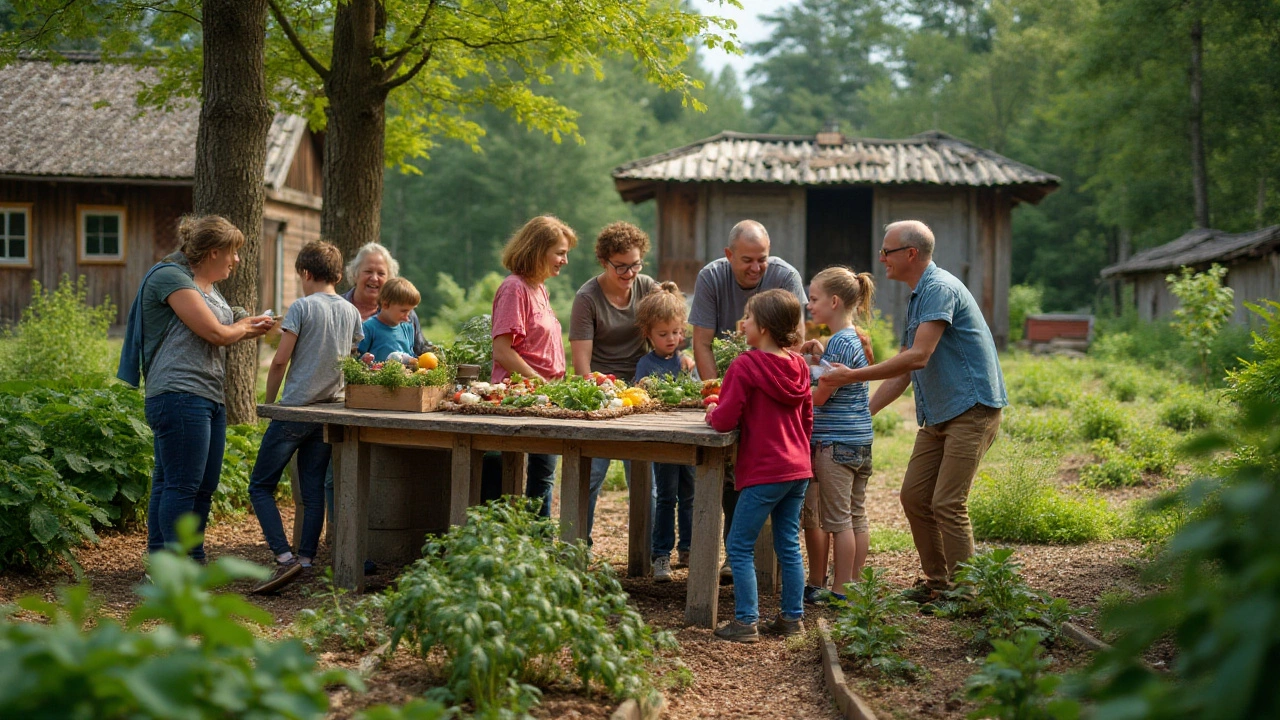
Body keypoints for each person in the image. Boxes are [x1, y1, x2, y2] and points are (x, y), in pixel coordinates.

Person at [818, 220, 1007, 605]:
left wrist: (850, 376)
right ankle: (939, 583)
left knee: (948, 502)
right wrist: (862, 412)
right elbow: (904, 369)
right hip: (940, 414)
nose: (880, 258)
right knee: (914, 497)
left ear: (910, 254)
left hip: (972, 410)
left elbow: (919, 357)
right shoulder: (918, 296)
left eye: (886, 251)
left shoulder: (938, 289)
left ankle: (968, 592)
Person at [117, 215, 273, 564]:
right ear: (214, 252)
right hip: (178, 394)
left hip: (207, 395)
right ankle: (173, 568)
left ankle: (187, 559)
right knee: (181, 485)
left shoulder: (204, 285)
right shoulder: (171, 278)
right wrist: (244, 327)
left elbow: (223, 318)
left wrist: (247, 320)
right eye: (232, 253)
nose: (236, 260)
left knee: (199, 485)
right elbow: (216, 333)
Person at [689, 219, 807, 579]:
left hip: (764, 393)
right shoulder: (711, 277)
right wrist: (720, 392)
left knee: (755, 483)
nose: (757, 268)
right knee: (730, 476)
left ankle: (751, 583)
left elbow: (796, 341)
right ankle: (787, 606)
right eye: (747, 260)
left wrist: (729, 405)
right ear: (728, 256)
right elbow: (703, 343)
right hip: (733, 386)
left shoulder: (786, 277)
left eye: (763, 259)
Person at [248, 241, 364, 594]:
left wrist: (271, 403)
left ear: (305, 273)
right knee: (313, 490)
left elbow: (281, 360)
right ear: (339, 275)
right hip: (329, 412)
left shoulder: (302, 306)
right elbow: (353, 356)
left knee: (260, 485)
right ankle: (308, 560)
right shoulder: (351, 311)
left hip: (295, 410)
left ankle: (284, 558)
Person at [570, 222, 690, 544]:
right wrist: (598, 393)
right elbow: (582, 363)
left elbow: (672, 327)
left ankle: (647, 551)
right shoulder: (588, 298)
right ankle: (581, 545)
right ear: (603, 261)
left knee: (643, 479)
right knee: (592, 475)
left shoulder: (647, 286)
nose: (628, 273)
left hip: (643, 389)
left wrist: (682, 357)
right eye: (620, 267)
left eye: (634, 265)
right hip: (602, 392)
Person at [704, 289, 813, 642]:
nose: (743, 324)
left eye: (748, 318)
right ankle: (792, 618)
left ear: (763, 327)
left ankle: (746, 621)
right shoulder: (798, 365)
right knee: (788, 545)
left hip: (765, 469)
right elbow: (807, 418)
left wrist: (711, 412)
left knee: (739, 545)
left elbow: (725, 419)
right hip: (798, 468)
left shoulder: (745, 365)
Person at [492, 215, 577, 516]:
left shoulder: (539, 288)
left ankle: (536, 543)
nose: (565, 260)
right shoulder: (514, 288)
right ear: (538, 250)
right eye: (560, 252)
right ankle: (521, 545)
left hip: (544, 396)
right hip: (521, 396)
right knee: (514, 478)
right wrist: (539, 382)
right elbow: (503, 351)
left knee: (543, 475)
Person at [801, 267, 876, 605]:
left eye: (814, 299)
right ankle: (856, 586)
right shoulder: (853, 339)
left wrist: (801, 374)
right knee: (857, 516)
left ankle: (840, 591)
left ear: (834, 301)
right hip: (860, 441)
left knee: (838, 522)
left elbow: (820, 396)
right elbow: (833, 379)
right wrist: (818, 360)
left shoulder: (840, 343)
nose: (809, 304)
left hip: (835, 445)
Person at [633, 281, 697, 582]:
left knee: (691, 495)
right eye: (663, 334)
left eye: (675, 332)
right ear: (649, 334)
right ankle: (661, 554)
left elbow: (696, 394)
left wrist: (691, 370)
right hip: (663, 438)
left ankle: (689, 548)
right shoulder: (646, 365)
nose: (671, 339)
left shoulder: (686, 363)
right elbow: (643, 398)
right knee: (666, 497)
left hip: (689, 437)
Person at [341, 242, 429, 355]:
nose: (374, 278)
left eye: (381, 273)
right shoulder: (338, 308)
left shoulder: (405, 313)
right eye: (368, 271)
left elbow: (419, 350)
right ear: (355, 274)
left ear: (389, 279)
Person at [356, 277, 420, 361]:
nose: (407, 316)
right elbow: (357, 355)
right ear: (385, 304)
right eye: (404, 311)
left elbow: (410, 354)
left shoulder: (407, 327)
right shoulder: (369, 327)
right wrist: (364, 358)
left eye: (410, 311)